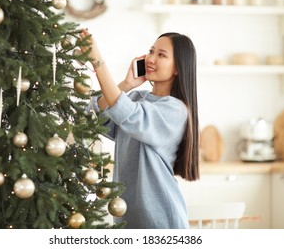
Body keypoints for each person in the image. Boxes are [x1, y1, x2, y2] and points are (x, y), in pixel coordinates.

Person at [81, 29, 199, 229]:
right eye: (151, 52)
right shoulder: (136, 99)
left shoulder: (175, 109)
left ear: (178, 67)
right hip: (127, 218)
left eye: (161, 55)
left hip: (160, 221)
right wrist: (126, 84)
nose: (151, 59)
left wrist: (98, 62)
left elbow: (127, 113)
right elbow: (92, 117)